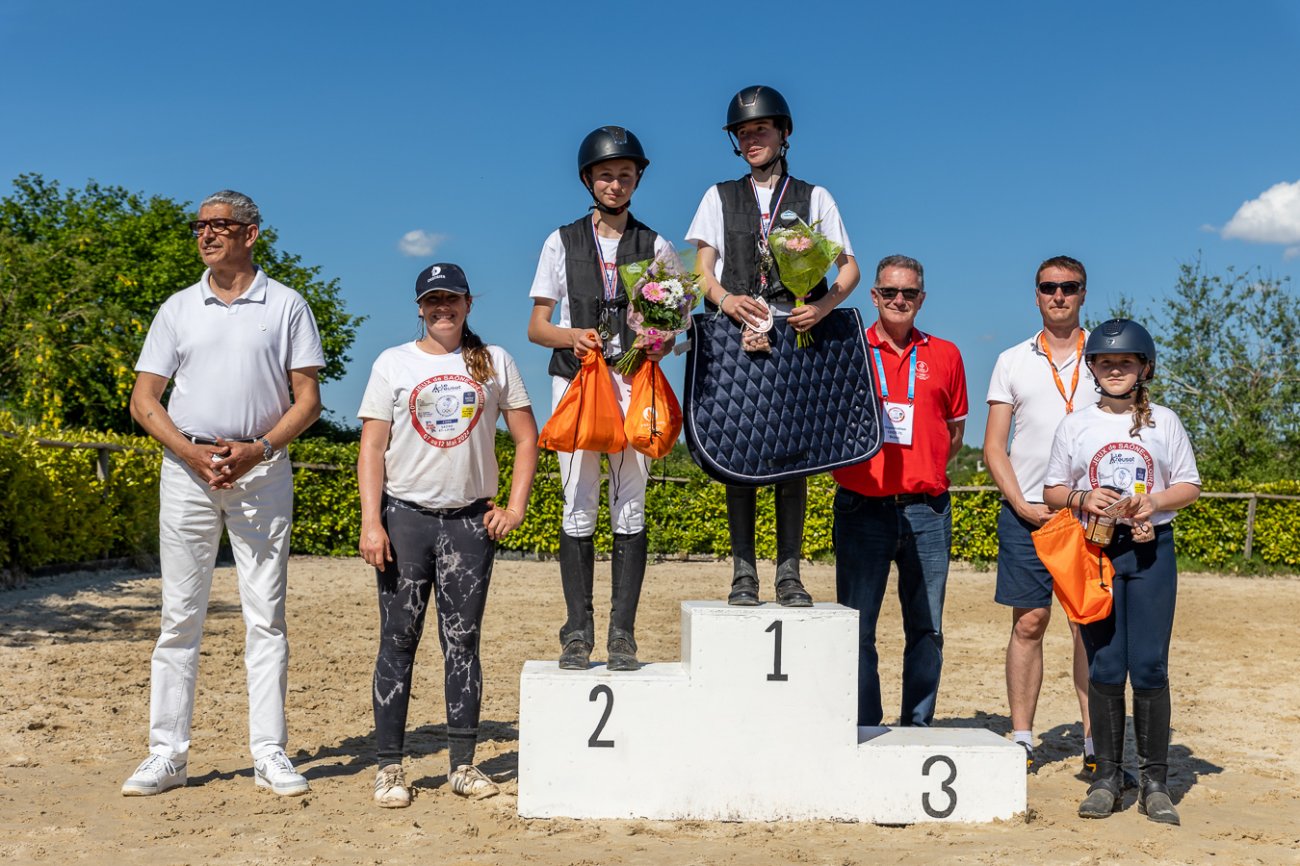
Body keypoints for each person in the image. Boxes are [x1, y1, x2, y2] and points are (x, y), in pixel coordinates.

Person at [123, 190, 324, 797]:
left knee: (266, 617)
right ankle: (167, 755)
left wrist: (257, 449)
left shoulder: (287, 305)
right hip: (187, 472)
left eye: (219, 226)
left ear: (250, 234)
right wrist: (189, 453)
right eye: (199, 226)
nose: (206, 235)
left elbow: (308, 402)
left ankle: (269, 753)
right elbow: (143, 400)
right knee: (179, 616)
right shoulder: (177, 308)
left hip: (261, 472)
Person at [358, 262, 537, 807]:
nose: (443, 308)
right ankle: (390, 768)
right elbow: (372, 448)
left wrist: (515, 507)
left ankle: (462, 764)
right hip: (405, 519)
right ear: (419, 307)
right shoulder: (393, 362)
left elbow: (526, 438)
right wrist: (371, 521)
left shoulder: (494, 361)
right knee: (398, 640)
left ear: (467, 304)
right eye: (433, 300)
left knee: (462, 642)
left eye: (451, 299)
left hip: (469, 523)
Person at [685, 84, 860, 607]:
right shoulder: (718, 196)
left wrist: (823, 306)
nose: (751, 139)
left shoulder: (815, 196)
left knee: (793, 454)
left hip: (797, 334)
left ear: (784, 133)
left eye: (760, 129)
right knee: (737, 447)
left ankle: (789, 573)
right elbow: (701, 270)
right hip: (738, 333)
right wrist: (725, 299)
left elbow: (849, 268)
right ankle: (743, 573)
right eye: (743, 133)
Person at [527, 126, 678, 672]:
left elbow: (672, 328)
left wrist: (662, 342)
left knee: (630, 502)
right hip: (577, 381)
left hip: (634, 381)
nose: (616, 183)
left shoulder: (656, 245)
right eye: (606, 175)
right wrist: (573, 336)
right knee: (578, 501)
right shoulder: (560, 241)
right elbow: (537, 327)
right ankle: (576, 633)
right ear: (589, 179)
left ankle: (622, 636)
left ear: (637, 180)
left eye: (625, 175)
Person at [1043, 319, 1200, 825]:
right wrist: (1082, 497)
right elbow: (1051, 490)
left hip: (1152, 552)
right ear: (1092, 368)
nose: (1115, 370)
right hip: (1097, 551)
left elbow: (1189, 485)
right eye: (1106, 362)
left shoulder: (1165, 422)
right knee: (1106, 665)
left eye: (1125, 362)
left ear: (1143, 368)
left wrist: (1154, 502)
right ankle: (1106, 778)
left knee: (1150, 665)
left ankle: (1155, 782)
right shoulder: (1076, 425)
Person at [831, 255, 967, 728]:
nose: (898, 300)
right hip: (861, 508)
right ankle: (866, 725)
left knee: (927, 629)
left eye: (908, 293)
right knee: (858, 628)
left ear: (921, 299)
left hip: (927, 511)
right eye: (889, 292)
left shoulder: (947, 354)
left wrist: (921, 469)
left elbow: (954, 433)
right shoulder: (849, 349)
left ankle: (917, 726)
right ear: (874, 296)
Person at [983, 255, 1098, 773]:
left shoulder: (1107, 356)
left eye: (1069, 287)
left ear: (1083, 293)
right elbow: (994, 446)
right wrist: (1019, 504)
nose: (1059, 295)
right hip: (1026, 512)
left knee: (1086, 627)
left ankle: (1095, 742)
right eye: (1049, 287)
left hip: (1091, 517)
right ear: (1036, 295)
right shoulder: (1011, 360)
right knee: (1029, 622)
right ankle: (1024, 738)